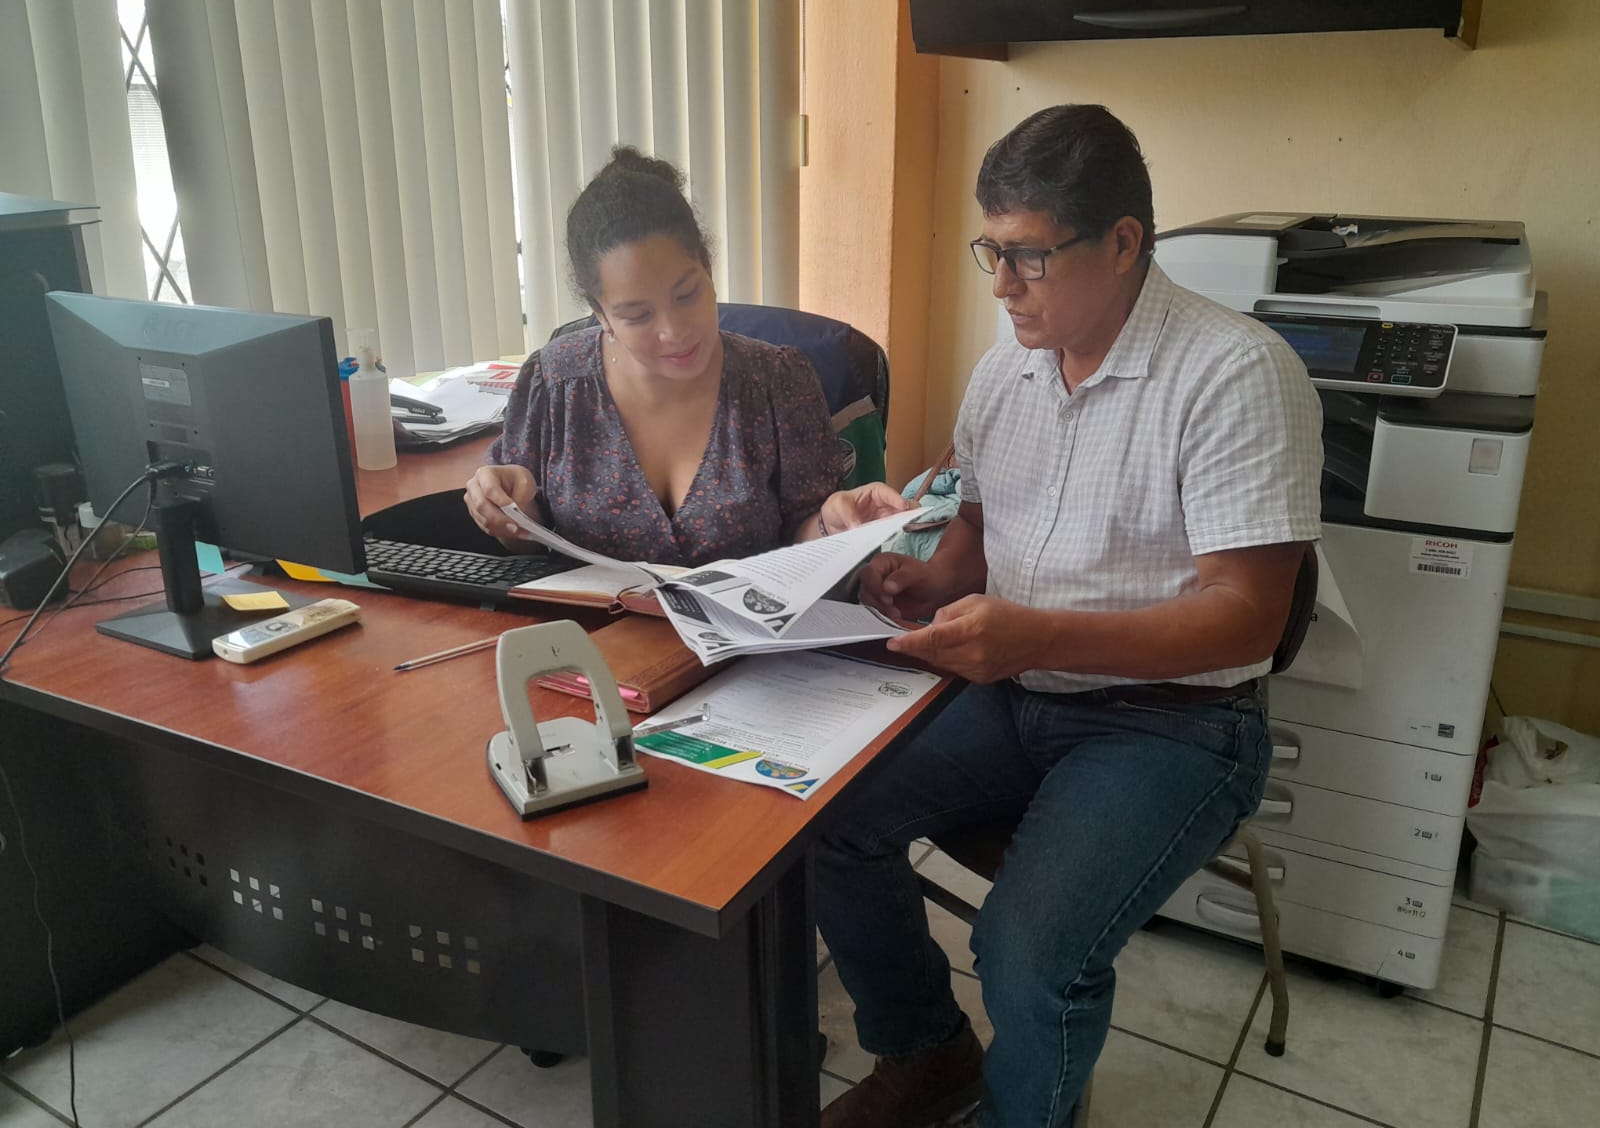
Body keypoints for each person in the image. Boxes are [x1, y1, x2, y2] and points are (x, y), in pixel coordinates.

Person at [815, 105, 1323, 1127]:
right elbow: (978, 527)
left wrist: (1033, 633)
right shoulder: (1008, 366)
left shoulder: (1235, 372)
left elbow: (1246, 621)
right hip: (1018, 692)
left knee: (1027, 951)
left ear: (1124, 242)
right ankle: (926, 1055)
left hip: (1175, 724)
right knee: (826, 822)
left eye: (1029, 256)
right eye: (990, 253)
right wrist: (923, 581)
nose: (1002, 285)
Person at [464, 147, 908, 567]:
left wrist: (830, 524)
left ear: (708, 269)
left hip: (744, 624)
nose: (673, 331)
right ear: (601, 314)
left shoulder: (778, 382)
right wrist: (507, 514)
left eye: (687, 294)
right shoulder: (553, 385)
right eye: (637, 315)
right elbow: (526, 545)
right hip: (584, 623)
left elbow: (803, 539)